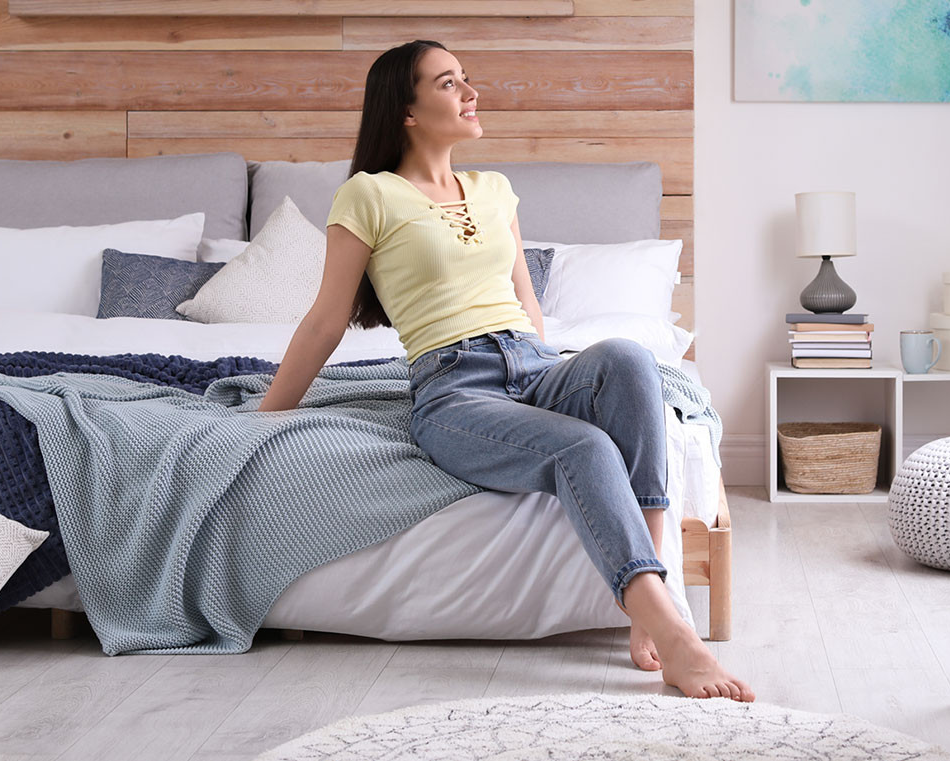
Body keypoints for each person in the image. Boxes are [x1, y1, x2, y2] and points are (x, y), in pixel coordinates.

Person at [257, 40, 753, 702]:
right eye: (448, 83)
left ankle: (648, 589)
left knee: (633, 358)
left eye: (467, 78)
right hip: (454, 390)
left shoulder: (494, 192)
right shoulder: (369, 196)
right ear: (405, 111)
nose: (470, 92)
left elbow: (527, 303)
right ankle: (671, 630)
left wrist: (547, 374)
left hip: (533, 363)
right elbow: (325, 320)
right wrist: (265, 416)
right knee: (583, 446)